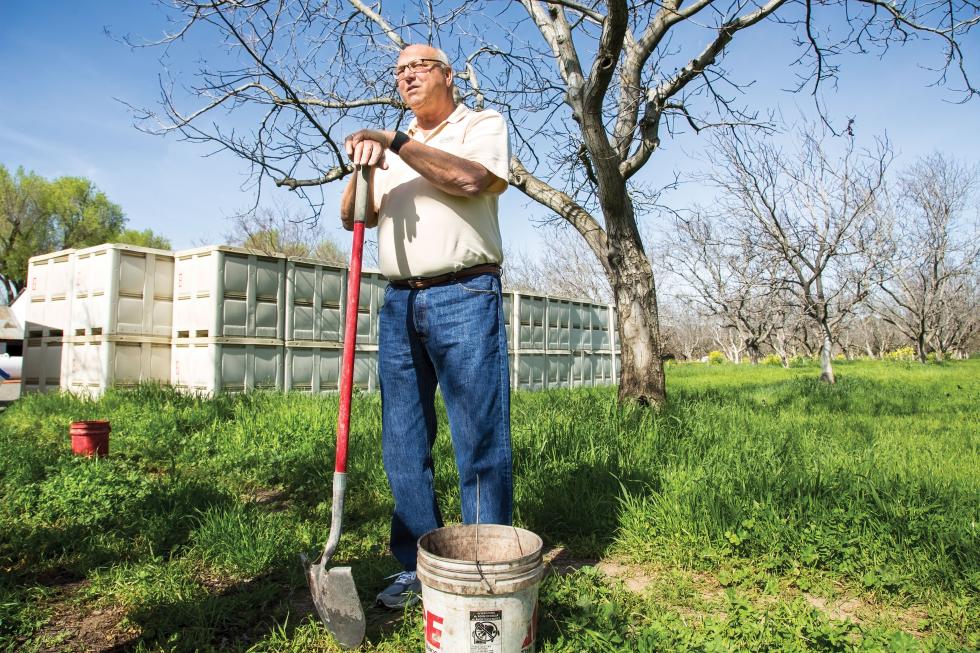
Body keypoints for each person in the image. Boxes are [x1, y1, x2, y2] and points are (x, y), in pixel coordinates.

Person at [340, 43, 512, 609]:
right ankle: (416, 565)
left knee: (478, 433)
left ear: (447, 75)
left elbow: (469, 181)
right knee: (403, 440)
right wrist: (362, 169)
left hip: (464, 291)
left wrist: (395, 143)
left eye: (418, 66)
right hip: (399, 303)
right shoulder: (390, 151)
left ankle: (483, 564)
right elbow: (354, 216)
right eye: (398, 71)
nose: (406, 75)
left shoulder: (479, 124)